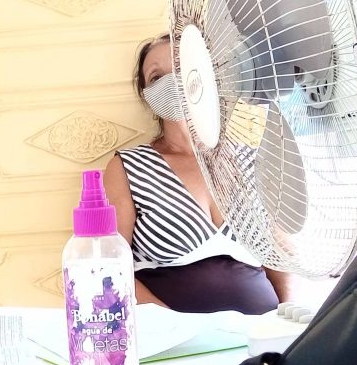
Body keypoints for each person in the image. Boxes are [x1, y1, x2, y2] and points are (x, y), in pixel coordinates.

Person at [102, 33, 292, 314]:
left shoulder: (252, 159)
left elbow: (281, 256)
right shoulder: (126, 167)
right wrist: (175, 325)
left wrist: (290, 322)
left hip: (261, 337)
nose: (171, 81)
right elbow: (109, 267)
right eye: (156, 77)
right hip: (175, 343)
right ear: (147, 96)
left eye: (181, 67)